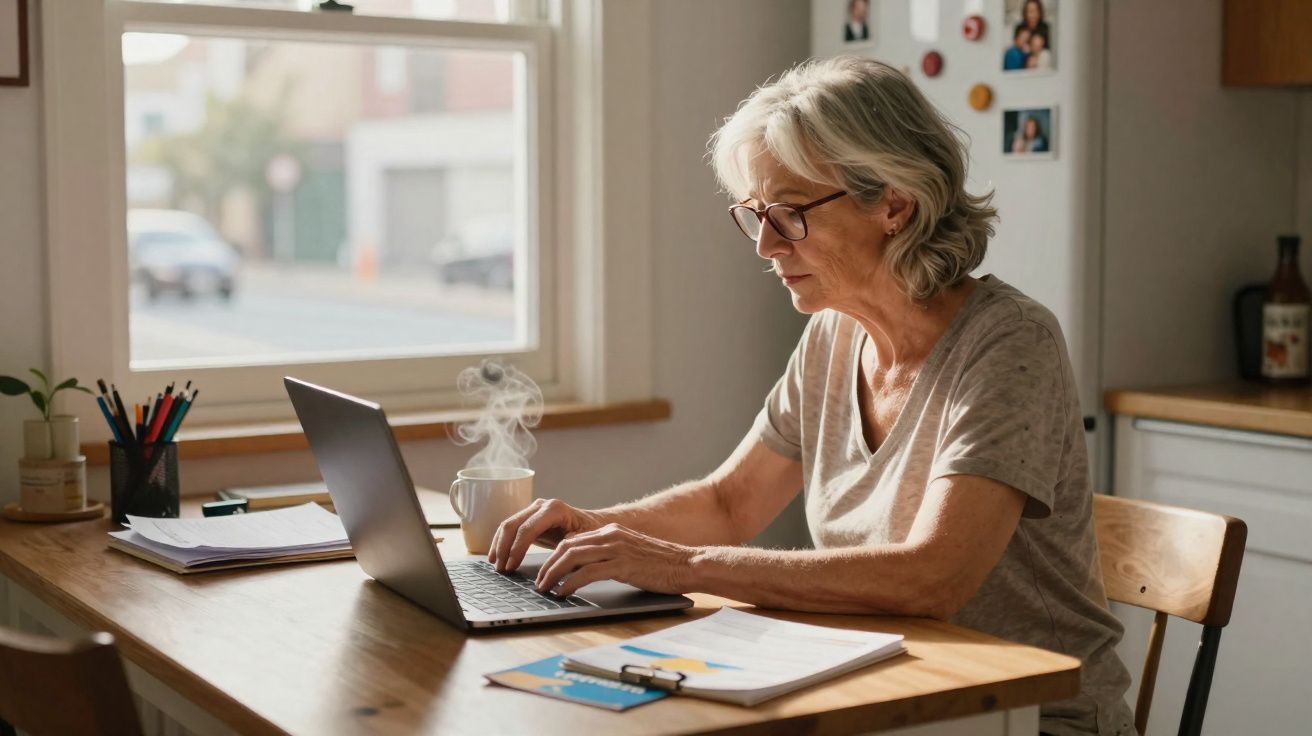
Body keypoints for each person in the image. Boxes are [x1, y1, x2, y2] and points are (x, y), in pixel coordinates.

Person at [489, 57, 1134, 736]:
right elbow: (731, 501)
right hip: (884, 692)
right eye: (756, 214)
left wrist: (683, 567)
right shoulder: (834, 333)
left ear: (894, 203)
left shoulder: (1010, 341)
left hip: (1025, 715)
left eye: (790, 214)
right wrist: (592, 528)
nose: (766, 244)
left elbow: (933, 578)